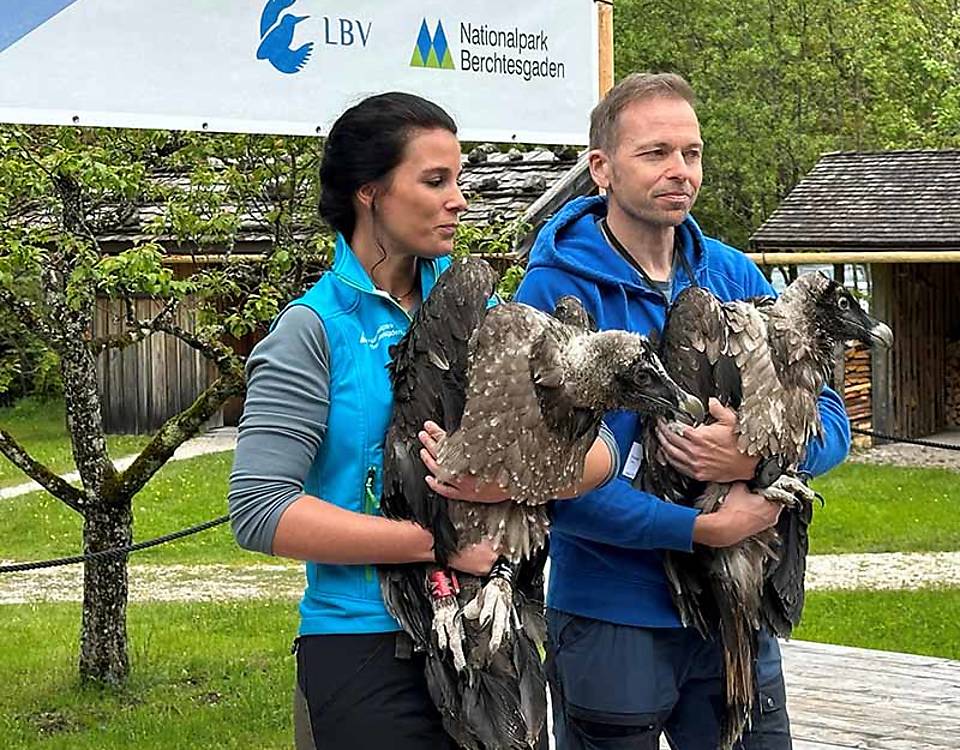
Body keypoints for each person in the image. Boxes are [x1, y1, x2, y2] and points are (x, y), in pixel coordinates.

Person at [227, 92, 616, 749]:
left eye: (458, 179)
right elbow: (260, 511)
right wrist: (433, 543)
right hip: (365, 646)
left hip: (496, 635)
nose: (458, 198)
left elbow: (598, 451)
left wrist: (508, 483)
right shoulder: (314, 329)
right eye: (435, 181)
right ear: (369, 193)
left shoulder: (487, 310)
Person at [513, 73, 852, 749]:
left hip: (735, 614)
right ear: (602, 168)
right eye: (656, 152)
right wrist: (701, 530)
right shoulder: (554, 292)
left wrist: (755, 452)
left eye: (691, 153)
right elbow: (551, 485)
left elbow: (834, 423)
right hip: (613, 613)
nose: (679, 170)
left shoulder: (733, 276)